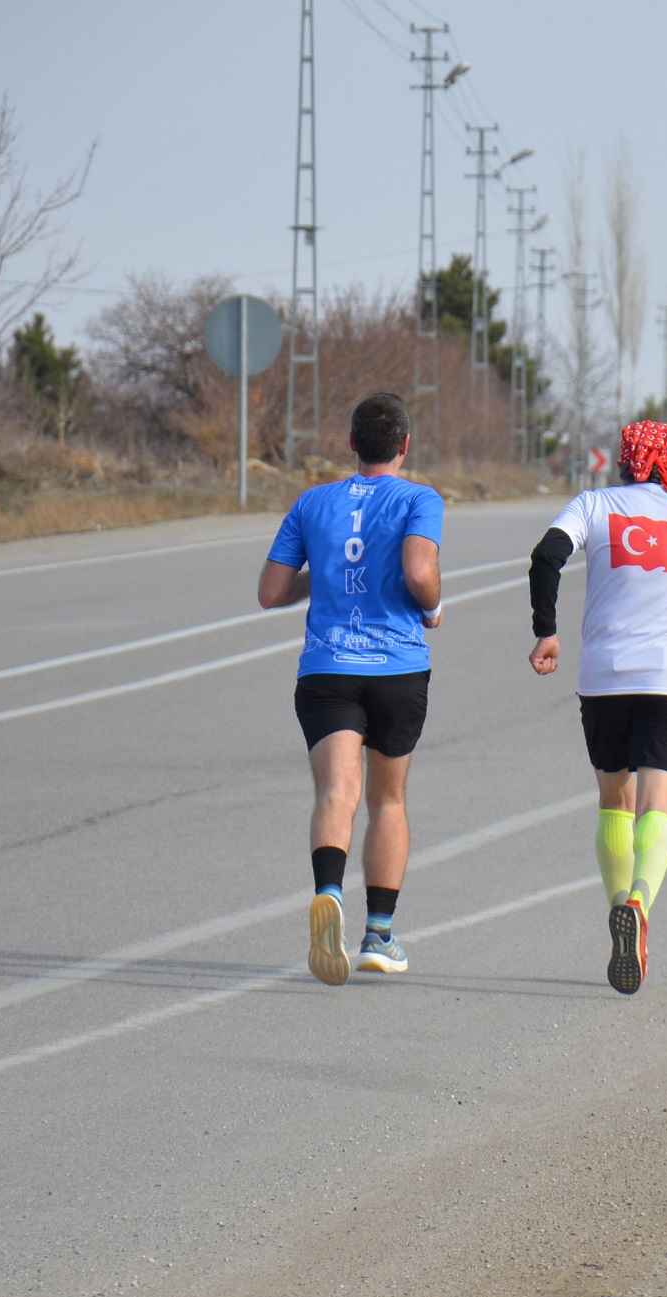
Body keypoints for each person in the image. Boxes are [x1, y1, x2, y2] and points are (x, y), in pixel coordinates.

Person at [526, 420, 667, 994]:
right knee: (659, 810)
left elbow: (546, 556)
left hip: (605, 678)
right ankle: (639, 904)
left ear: (623, 462)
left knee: (614, 800)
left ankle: (617, 920)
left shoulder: (594, 504)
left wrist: (546, 631)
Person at [259, 392, 444, 986]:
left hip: (327, 670)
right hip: (395, 667)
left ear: (351, 443)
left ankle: (329, 893)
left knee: (335, 791)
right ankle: (379, 935)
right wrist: (433, 603)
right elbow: (418, 571)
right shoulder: (419, 498)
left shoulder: (312, 503)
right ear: (405, 446)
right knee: (386, 800)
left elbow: (271, 591)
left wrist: (330, 573)